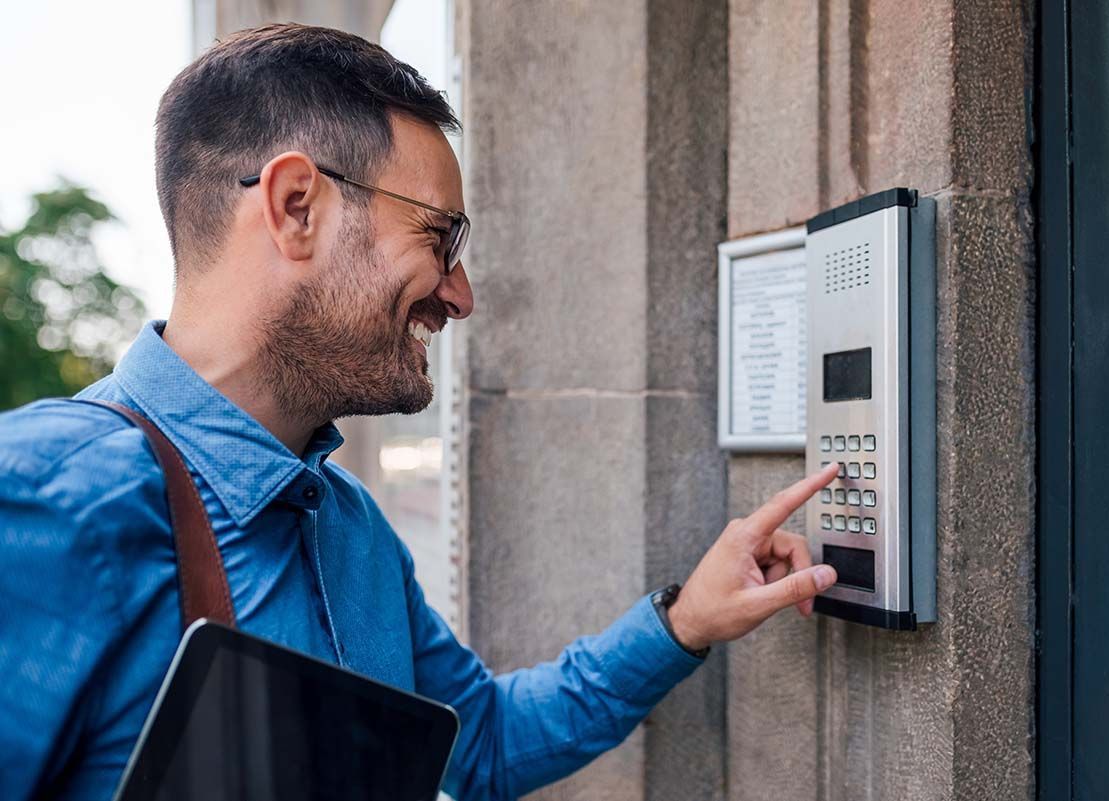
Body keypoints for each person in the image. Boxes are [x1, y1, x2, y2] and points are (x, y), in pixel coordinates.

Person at [0, 23, 839, 801]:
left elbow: (482, 743)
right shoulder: (49, 494)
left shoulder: (350, 528)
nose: (461, 295)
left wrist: (685, 619)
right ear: (297, 206)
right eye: (440, 237)